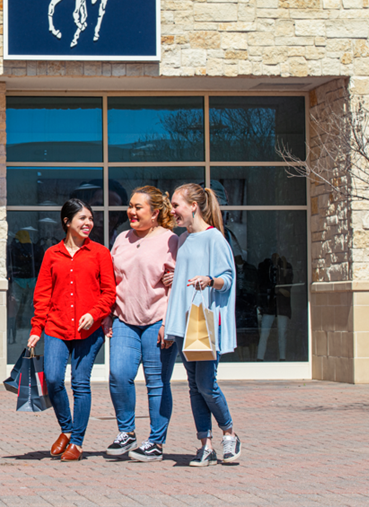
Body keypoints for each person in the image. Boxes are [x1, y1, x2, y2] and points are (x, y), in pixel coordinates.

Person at [27, 198, 116, 462]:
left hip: (89, 332)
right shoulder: (51, 254)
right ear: (67, 222)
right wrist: (36, 328)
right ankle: (67, 429)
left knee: (80, 383)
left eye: (90, 218)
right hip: (56, 326)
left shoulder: (100, 253)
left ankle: (77, 442)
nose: (88, 223)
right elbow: (42, 294)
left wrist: (95, 314)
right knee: (53, 380)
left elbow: (109, 293)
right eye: (82, 218)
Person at [163, 183, 243, 466]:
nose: (172, 211)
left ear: (193, 206)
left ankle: (230, 434)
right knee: (194, 387)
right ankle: (205, 445)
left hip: (205, 324)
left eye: (176, 205)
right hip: (185, 325)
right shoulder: (182, 240)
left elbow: (228, 279)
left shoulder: (215, 239)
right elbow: (182, 279)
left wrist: (209, 280)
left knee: (206, 384)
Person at [103, 186, 179, 463]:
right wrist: (108, 314)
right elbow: (112, 279)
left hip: (157, 320)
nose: (131, 212)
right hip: (124, 319)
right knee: (118, 376)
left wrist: (168, 323)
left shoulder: (171, 241)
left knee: (157, 383)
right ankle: (127, 433)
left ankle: (156, 442)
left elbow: (177, 286)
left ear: (156, 212)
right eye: (131, 206)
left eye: (138, 207)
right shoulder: (121, 238)